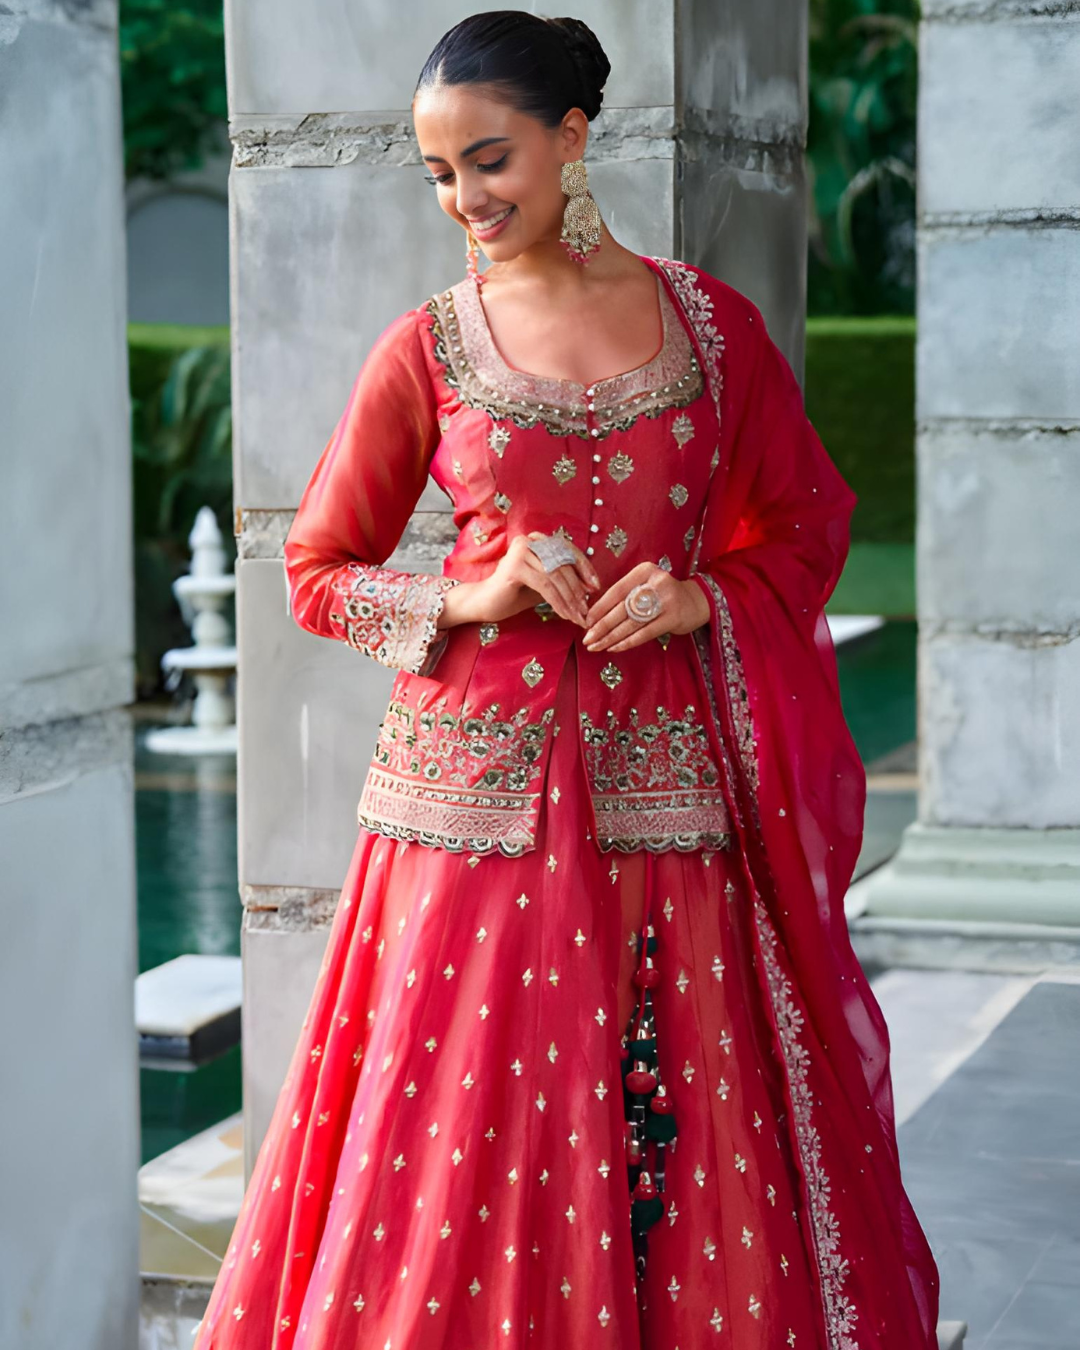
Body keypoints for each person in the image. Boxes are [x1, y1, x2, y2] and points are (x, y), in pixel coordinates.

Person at [193, 11, 940, 1348]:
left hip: (670, 800)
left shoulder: (709, 330)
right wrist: (469, 592)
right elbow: (316, 567)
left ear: (572, 137)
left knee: (681, 1148)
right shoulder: (428, 345)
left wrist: (701, 592)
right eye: (438, 175)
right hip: (471, 816)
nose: (465, 200)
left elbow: (810, 523)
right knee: (471, 1155)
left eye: (490, 161)